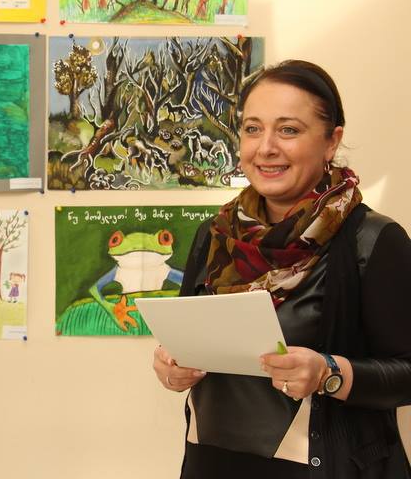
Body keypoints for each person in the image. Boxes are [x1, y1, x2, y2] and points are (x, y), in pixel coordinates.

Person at [152, 60, 411, 478]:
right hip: (213, 464)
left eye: (288, 130)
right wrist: (171, 365)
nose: (266, 147)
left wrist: (329, 373)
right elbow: (184, 343)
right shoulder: (215, 234)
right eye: (252, 129)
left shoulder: (372, 240)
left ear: (331, 141)